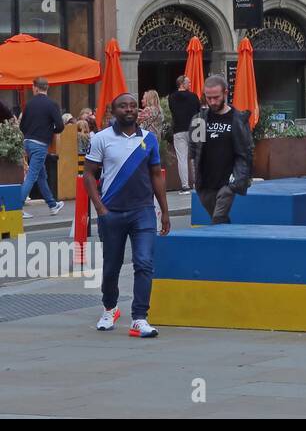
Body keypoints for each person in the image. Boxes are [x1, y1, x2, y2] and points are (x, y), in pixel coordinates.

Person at [85, 93, 171, 338]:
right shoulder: (101, 139)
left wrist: (164, 211)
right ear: (113, 111)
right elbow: (89, 175)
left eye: (133, 106)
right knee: (112, 266)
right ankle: (110, 308)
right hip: (111, 211)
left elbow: (156, 174)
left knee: (144, 262)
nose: (129, 110)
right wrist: (100, 208)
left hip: (143, 211)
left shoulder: (149, 139)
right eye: (123, 106)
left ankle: (140, 318)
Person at [188, 75, 253, 225]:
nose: (212, 102)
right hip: (205, 183)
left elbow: (246, 152)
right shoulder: (199, 119)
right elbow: (193, 150)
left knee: (218, 219)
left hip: (228, 182)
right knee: (220, 221)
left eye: (216, 97)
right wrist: (193, 177)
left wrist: (239, 180)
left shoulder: (238, 119)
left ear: (225, 93)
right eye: (208, 98)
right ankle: (231, 244)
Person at [17, 76, 65, 217]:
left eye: (32, 87)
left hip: (28, 142)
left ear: (36, 87)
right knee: (32, 175)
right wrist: (51, 131)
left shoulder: (29, 104)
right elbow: (60, 125)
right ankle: (17, 207)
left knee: (41, 175)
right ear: (47, 87)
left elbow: (22, 126)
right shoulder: (52, 104)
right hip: (40, 144)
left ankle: (52, 204)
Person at [167, 76, 201, 191]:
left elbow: (172, 111)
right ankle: (197, 183)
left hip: (179, 129)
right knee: (195, 157)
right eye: (188, 82)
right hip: (195, 128)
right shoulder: (194, 96)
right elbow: (199, 111)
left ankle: (185, 185)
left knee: (182, 158)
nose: (190, 84)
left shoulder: (171, 98)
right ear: (182, 83)